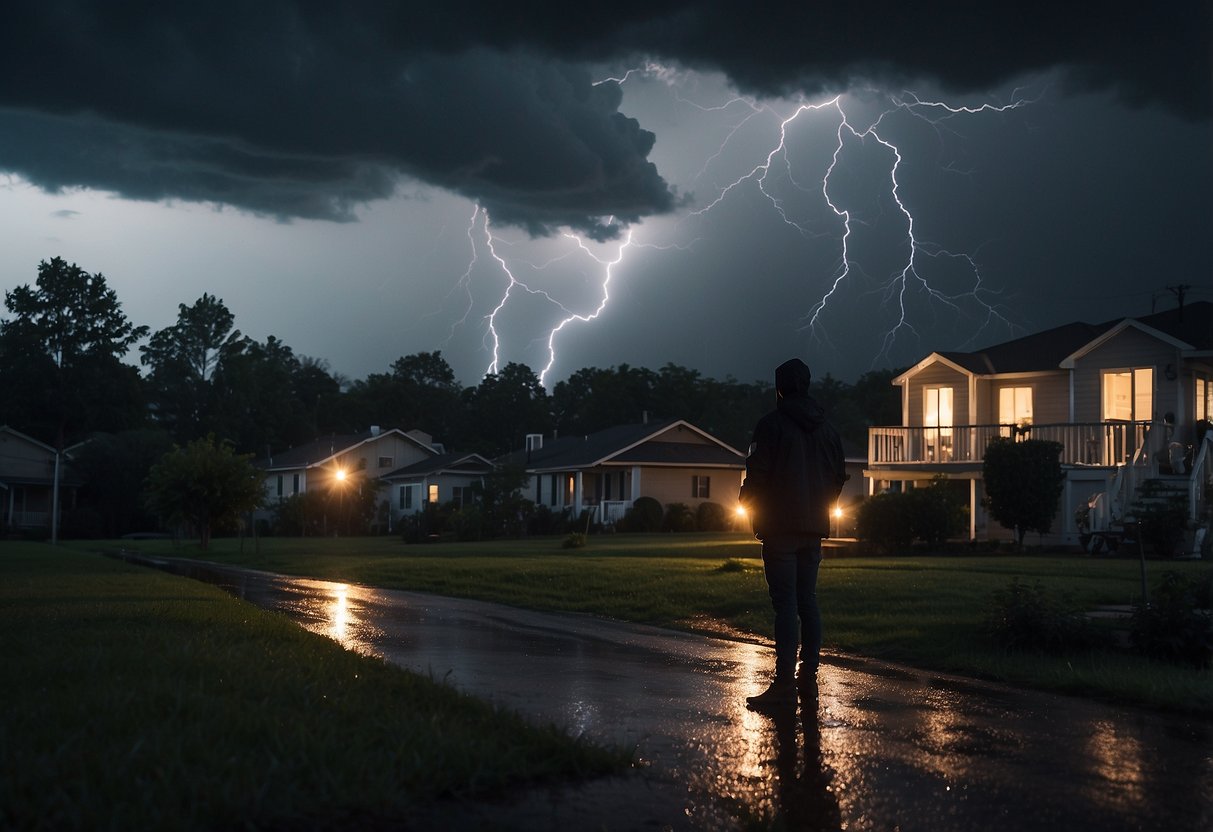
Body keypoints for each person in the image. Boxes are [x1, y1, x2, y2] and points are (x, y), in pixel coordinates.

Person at [739, 358, 846, 707]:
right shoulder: (828, 429)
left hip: (780, 527)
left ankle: (785, 684)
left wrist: (748, 502)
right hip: (813, 527)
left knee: (785, 604)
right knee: (807, 601)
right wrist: (821, 507)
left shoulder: (770, 425)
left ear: (779, 388)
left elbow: (757, 472)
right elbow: (838, 477)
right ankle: (808, 681)